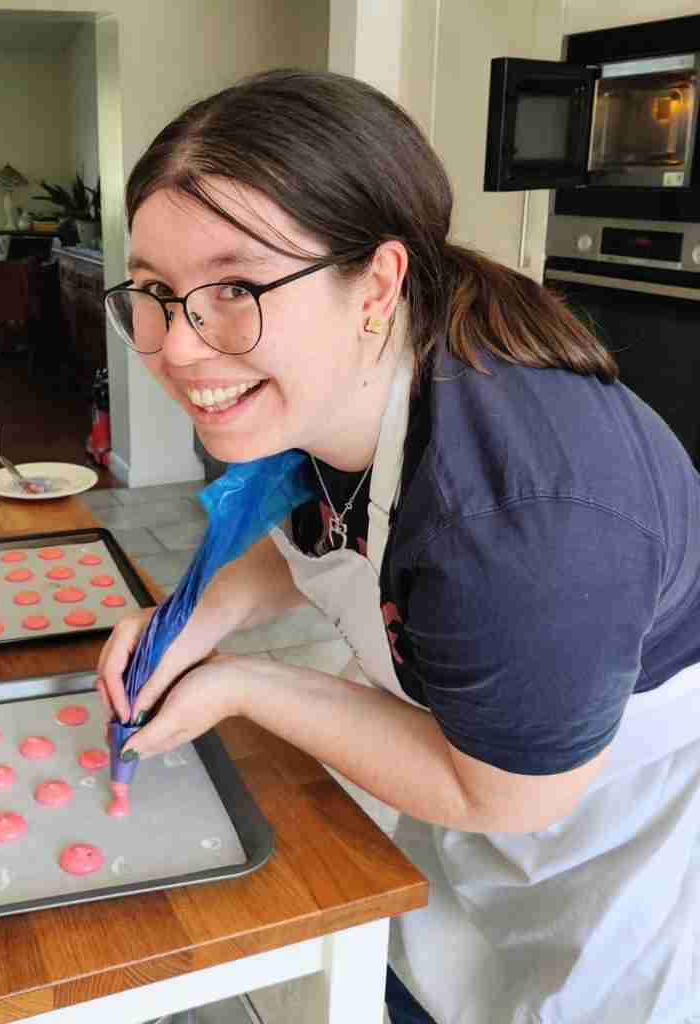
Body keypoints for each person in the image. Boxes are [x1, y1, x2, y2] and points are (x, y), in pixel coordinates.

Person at [96, 70, 700, 1024]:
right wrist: (192, 621)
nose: (177, 346)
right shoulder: (335, 389)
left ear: (376, 283)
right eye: (157, 293)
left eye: (236, 287)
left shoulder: (520, 520)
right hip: (472, 778)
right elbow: (314, 540)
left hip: (608, 834)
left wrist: (248, 685)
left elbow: (507, 798)